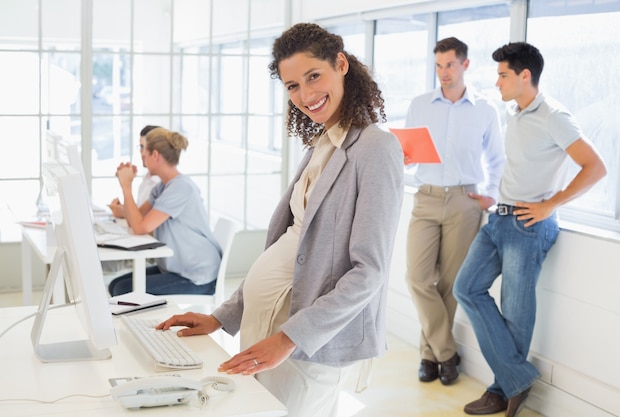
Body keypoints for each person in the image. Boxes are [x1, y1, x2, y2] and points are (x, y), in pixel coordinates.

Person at [157, 22, 404, 417]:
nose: (305, 95)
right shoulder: (323, 142)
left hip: (308, 342)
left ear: (341, 64)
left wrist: (290, 338)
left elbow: (368, 272)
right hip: (266, 329)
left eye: (313, 76)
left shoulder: (376, 148)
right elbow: (289, 246)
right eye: (292, 86)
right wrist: (221, 318)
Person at [453, 42, 606, 417]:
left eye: (503, 74)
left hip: (528, 224)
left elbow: (595, 167)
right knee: (466, 288)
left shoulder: (554, 114)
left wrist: (550, 204)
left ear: (525, 76)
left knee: (516, 314)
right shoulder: (514, 112)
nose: (497, 81)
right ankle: (517, 379)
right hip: (499, 218)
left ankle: (502, 389)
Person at [404, 37, 505, 385]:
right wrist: (403, 157)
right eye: (438, 66)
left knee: (449, 283)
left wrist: (490, 195)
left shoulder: (485, 109)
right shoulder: (420, 105)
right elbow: (409, 153)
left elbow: (496, 159)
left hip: (465, 201)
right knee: (417, 278)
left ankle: (429, 357)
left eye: (449, 65)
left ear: (465, 65)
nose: (443, 73)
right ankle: (447, 353)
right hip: (426, 198)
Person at [108, 127, 222, 296]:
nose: (142, 155)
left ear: (155, 155)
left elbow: (140, 228)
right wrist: (124, 197)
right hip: (175, 267)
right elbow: (137, 217)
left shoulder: (181, 188)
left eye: (143, 150)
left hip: (197, 275)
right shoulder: (162, 187)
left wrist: (126, 187)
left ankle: (147, 322)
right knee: (115, 285)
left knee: (123, 290)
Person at [109, 125, 161, 218]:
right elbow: (139, 213)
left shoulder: (162, 184)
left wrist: (126, 184)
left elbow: (144, 221)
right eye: (141, 147)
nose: (142, 152)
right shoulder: (147, 179)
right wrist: (124, 210)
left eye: (145, 147)